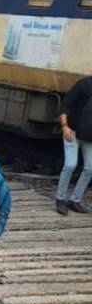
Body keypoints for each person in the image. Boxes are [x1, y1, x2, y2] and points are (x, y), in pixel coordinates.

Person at [54, 76, 92, 215]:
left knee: (90, 167)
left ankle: (75, 200)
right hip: (72, 131)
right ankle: (60, 199)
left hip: (89, 136)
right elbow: (65, 105)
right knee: (70, 164)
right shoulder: (84, 84)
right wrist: (64, 126)